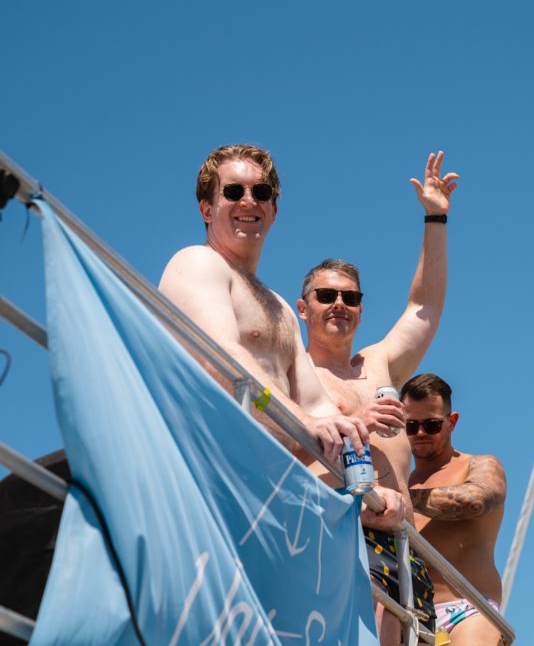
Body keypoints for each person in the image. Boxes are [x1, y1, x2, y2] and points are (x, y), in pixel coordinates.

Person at [296, 151, 459, 643]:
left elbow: (424, 307)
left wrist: (435, 217)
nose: (340, 304)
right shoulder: (294, 372)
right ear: (304, 309)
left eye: (352, 297)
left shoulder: (378, 363)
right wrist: (358, 422)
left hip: (403, 544)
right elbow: (282, 446)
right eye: (327, 296)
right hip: (340, 536)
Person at [159, 144, 368, 462]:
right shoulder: (197, 262)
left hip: (269, 485)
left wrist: (367, 484)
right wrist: (304, 422)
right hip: (204, 466)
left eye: (260, 192)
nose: (248, 200)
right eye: (232, 191)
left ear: (273, 211)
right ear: (207, 210)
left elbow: (317, 406)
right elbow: (219, 361)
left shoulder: (280, 307)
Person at [405, 373, 507, 646]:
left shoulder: (478, 464)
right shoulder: (398, 483)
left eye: (432, 424)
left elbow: (478, 499)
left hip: (468, 610)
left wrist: (404, 497)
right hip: (409, 616)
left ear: (452, 422)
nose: (421, 433)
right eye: (412, 426)